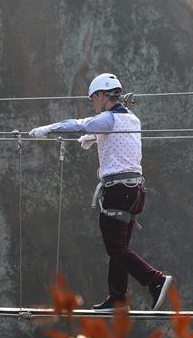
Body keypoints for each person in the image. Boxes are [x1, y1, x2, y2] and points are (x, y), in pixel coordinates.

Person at [29, 73, 172, 312]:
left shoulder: (107, 118)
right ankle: (117, 299)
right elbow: (117, 139)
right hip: (135, 190)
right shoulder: (132, 119)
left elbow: (80, 123)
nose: (93, 105)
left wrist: (49, 128)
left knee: (116, 248)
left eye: (93, 100)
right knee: (119, 248)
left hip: (118, 191)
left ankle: (155, 280)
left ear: (103, 96)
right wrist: (95, 138)